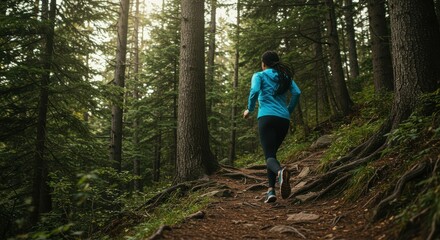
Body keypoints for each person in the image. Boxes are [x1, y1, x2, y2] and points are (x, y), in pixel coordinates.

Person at [243, 50, 301, 203]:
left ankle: (281, 173)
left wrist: (250, 108)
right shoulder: (285, 77)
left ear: (263, 64)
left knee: (269, 156)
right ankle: (271, 191)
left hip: (267, 118)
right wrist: (288, 110)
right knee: (272, 155)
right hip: (283, 120)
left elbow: (255, 90)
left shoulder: (259, 75)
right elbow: (297, 93)